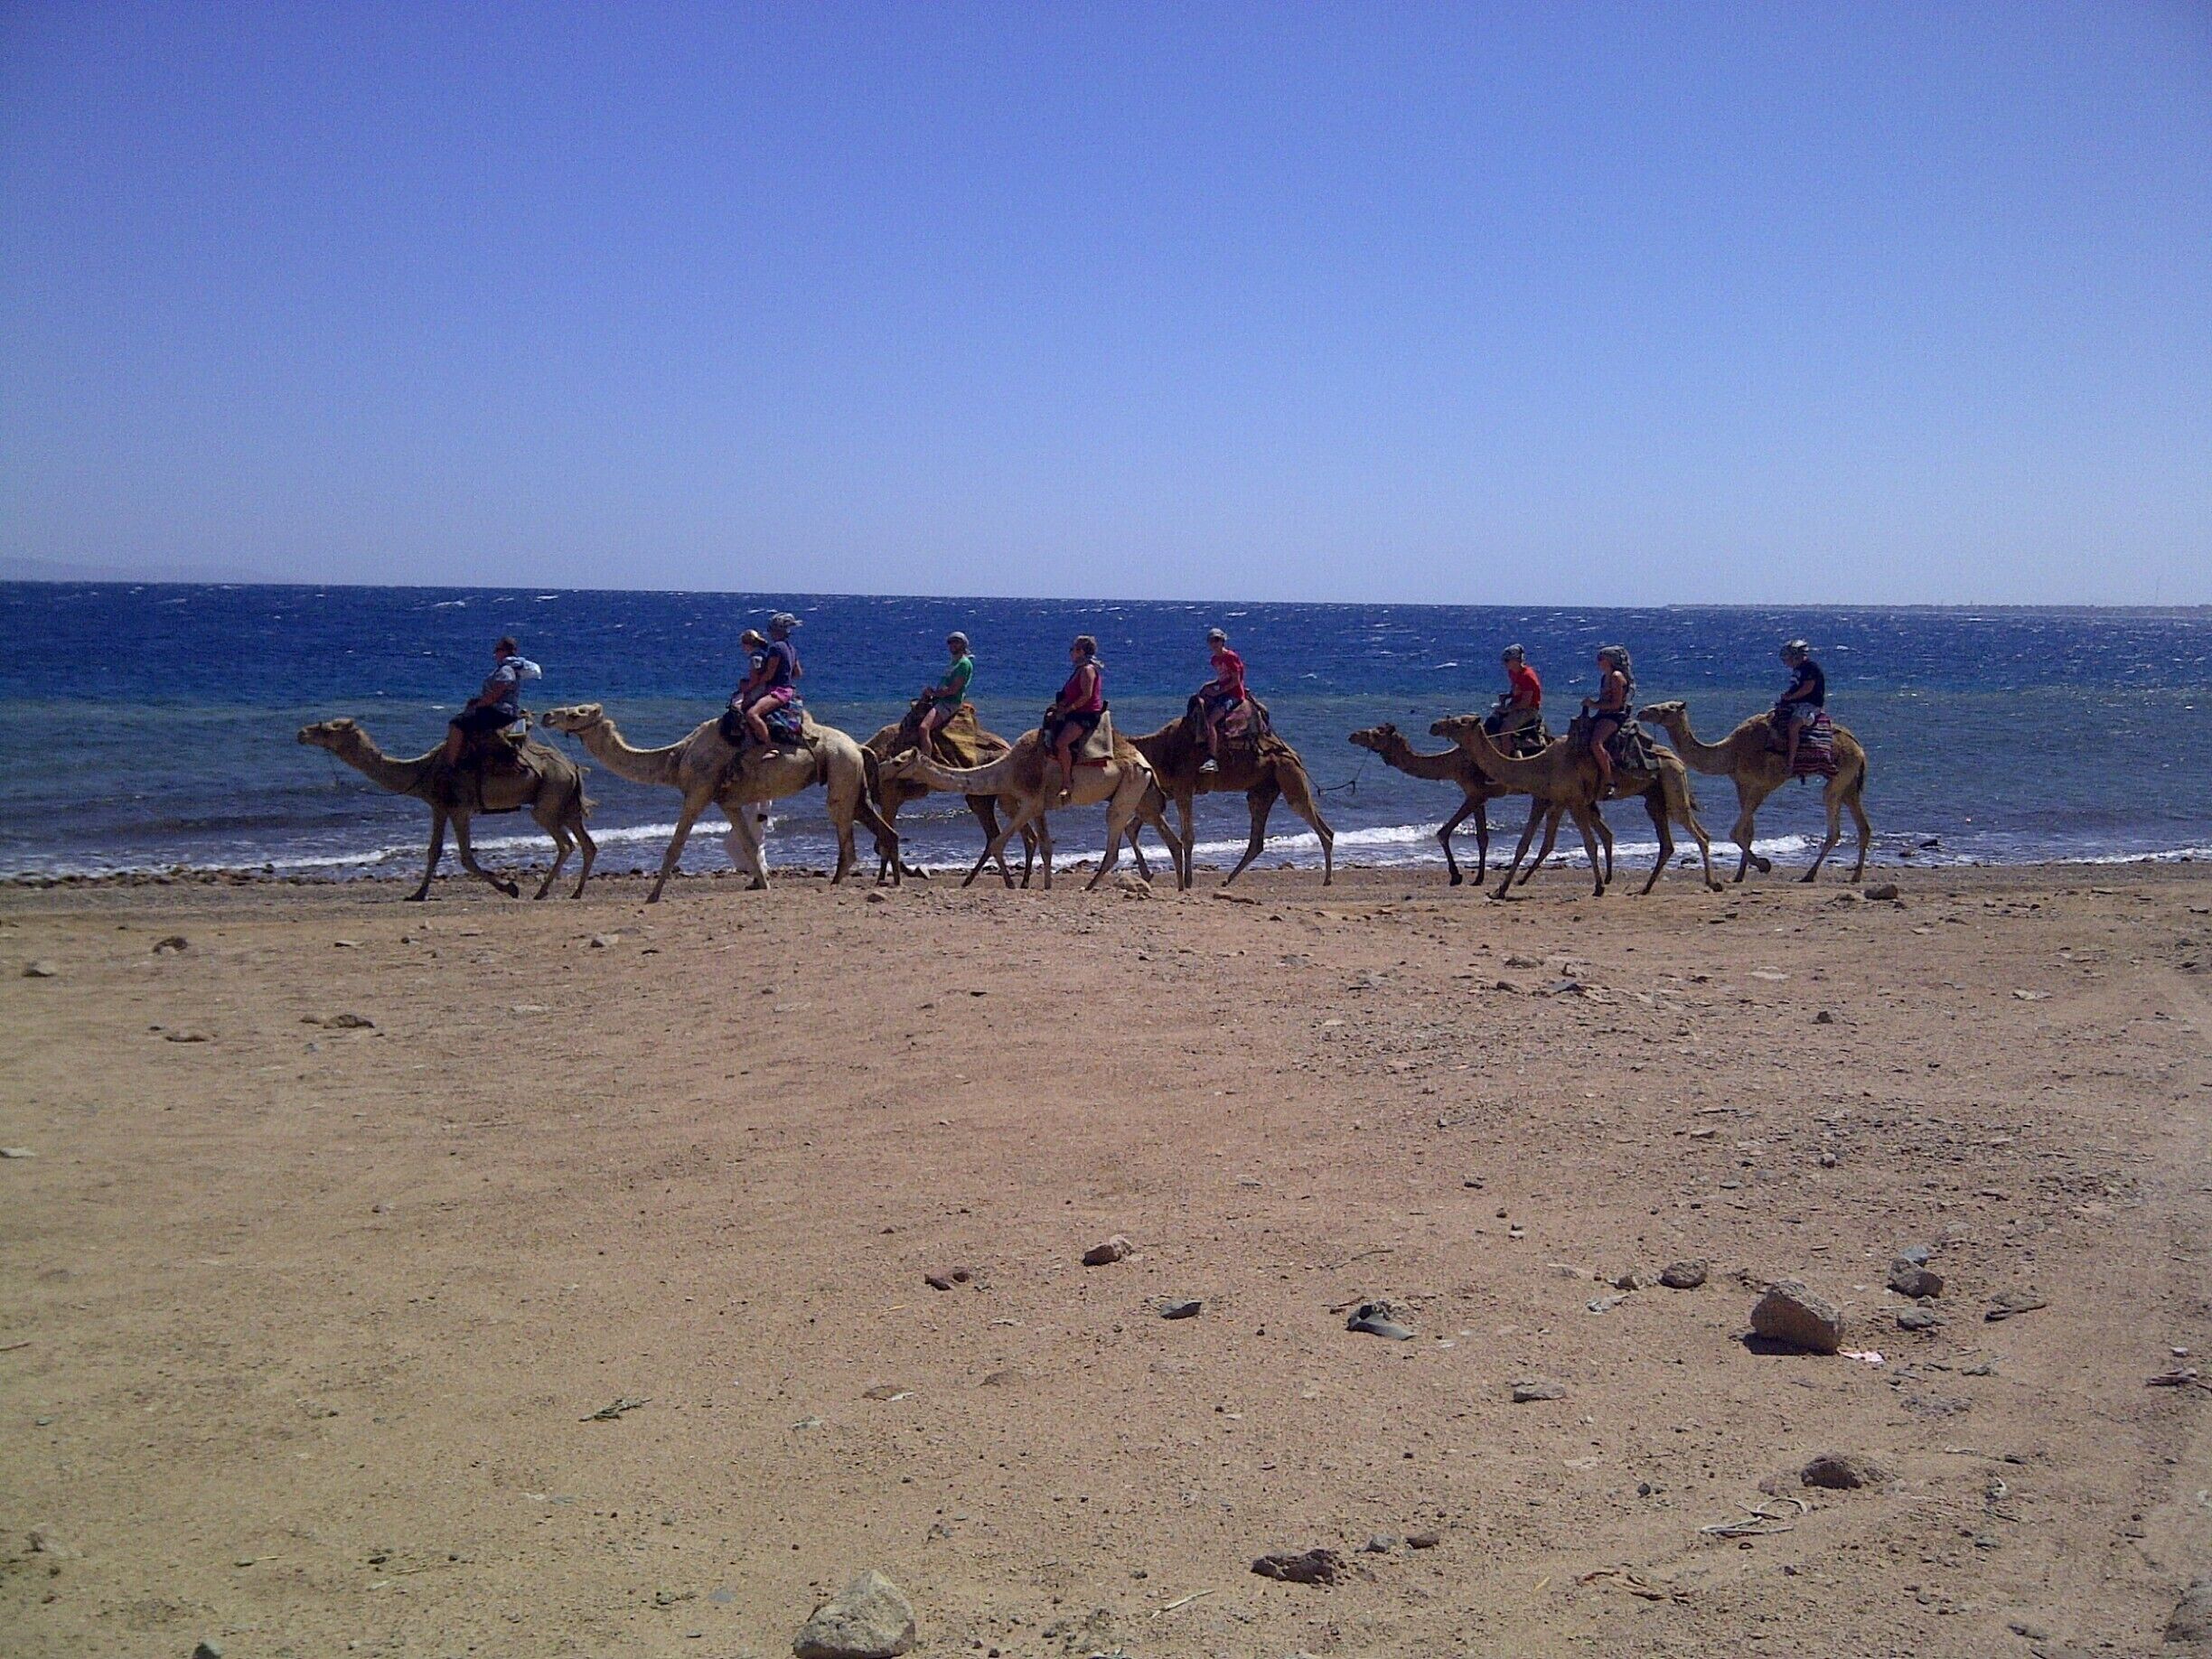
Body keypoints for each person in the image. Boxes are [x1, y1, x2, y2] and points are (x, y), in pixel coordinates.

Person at [441, 636, 540, 767]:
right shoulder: (512, 668)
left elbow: (496, 694)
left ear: (505, 651)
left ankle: (449, 767)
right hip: (505, 711)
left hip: (499, 713)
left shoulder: (506, 669)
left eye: (498, 650)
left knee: (457, 723)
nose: (495, 654)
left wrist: (478, 704)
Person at [1040, 634, 1105, 805]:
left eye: (1073, 649)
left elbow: (1086, 695)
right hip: (1076, 711)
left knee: (1062, 743)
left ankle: (1067, 782)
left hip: (1085, 714)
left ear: (1081, 651)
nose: (1071, 653)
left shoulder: (1087, 670)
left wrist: (1069, 709)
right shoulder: (1078, 669)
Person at [741, 613, 803, 753]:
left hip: (777, 691)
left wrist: (754, 684)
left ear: (775, 631)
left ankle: (769, 747)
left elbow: (769, 675)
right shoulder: (791, 648)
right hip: (788, 689)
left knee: (751, 714)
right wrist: (785, 676)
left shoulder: (775, 648)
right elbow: (798, 673)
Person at [1195, 627, 1248, 773]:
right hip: (1224, 691)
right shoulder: (1215, 660)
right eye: (1212, 640)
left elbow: (1236, 681)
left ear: (1223, 641)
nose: (1214, 643)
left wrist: (1217, 691)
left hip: (1234, 695)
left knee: (1211, 721)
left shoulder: (1231, 657)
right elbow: (1223, 678)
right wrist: (1210, 686)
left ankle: (1213, 758)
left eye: (1217, 640)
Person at [1580, 644, 1634, 790]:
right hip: (1603, 714)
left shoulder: (1616, 677)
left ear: (1609, 660)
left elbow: (1616, 704)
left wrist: (1593, 705)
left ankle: (1610, 779)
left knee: (1596, 743)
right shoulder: (1605, 677)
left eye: (1600, 659)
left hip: (1614, 717)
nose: (1598, 662)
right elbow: (1603, 701)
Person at [1773, 639, 1826, 774]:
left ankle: (1791, 762)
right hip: (1797, 703)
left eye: (1788, 657)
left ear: (1797, 656)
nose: (1786, 660)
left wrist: (1790, 697)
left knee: (1793, 726)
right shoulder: (1798, 669)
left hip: (1810, 705)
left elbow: (1807, 689)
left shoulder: (1811, 668)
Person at [916, 631, 975, 751]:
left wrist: (934, 693)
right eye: (951, 643)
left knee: (923, 728)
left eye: (957, 643)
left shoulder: (964, 664)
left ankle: (924, 760)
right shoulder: (955, 663)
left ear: (963, 645)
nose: (953, 645)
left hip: (949, 702)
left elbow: (953, 689)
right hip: (942, 699)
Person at [1485, 643, 1543, 746]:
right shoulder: (1512, 673)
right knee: (1492, 721)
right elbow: (1516, 690)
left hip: (1529, 709)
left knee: (1505, 729)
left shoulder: (1528, 677)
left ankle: (1505, 756)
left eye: (1507, 661)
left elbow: (1526, 703)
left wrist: (1508, 709)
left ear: (1516, 660)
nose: (1505, 664)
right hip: (1516, 705)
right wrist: (1508, 696)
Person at [718, 629, 770, 745]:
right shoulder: (762, 654)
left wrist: (744, 690)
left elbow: (755, 680)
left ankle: (748, 737)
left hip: (760, 688)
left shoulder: (755, 658)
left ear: (747, 644)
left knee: (737, 707)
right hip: (763, 685)